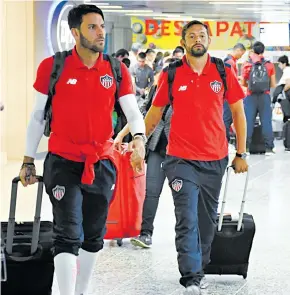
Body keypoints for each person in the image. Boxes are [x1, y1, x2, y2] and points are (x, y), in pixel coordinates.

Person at [18, 4, 146, 295]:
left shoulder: (115, 69)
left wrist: (138, 137)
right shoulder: (53, 67)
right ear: (75, 32)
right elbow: (38, 117)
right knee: (67, 232)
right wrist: (28, 160)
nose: (100, 32)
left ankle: (81, 291)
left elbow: (132, 111)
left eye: (102, 26)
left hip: (101, 163)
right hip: (62, 161)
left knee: (93, 235)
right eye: (92, 27)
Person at [143, 20, 248, 295]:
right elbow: (154, 114)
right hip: (180, 158)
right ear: (184, 41)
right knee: (186, 217)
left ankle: (199, 266)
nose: (197, 39)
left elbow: (238, 113)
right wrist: (137, 142)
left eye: (202, 35)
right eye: (192, 36)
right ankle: (190, 275)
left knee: (205, 220)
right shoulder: (172, 74)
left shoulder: (223, 71)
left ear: (209, 40)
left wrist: (241, 153)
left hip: (215, 157)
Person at [114, 58, 179, 249]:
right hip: (158, 149)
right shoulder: (155, 93)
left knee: (183, 196)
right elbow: (140, 115)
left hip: (180, 152)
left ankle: (188, 237)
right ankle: (145, 233)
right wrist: (121, 135)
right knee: (151, 192)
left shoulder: (186, 94)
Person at [241, 41, 276, 155]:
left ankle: (245, 148)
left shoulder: (247, 64)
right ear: (263, 51)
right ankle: (269, 148)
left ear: (253, 50)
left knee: (248, 122)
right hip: (264, 96)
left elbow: (243, 83)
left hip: (250, 96)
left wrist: (251, 87)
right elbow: (273, 84)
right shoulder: (269, 65)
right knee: (266, 121)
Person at [223, 43, 246, 143]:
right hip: (229, 97)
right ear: (238, 50)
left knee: (227, 120)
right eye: (241, 53)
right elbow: (229, 81)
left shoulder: (228, 61)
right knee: (227, 120)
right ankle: (224, 142)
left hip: (226, 96)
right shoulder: (230, 62)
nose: (241, 56)